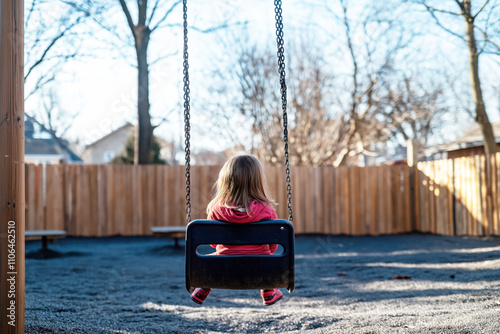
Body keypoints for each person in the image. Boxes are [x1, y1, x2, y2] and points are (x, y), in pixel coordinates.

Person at [190, 154, 283, 306]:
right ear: (258, 182)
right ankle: (268, 290)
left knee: (212, 258)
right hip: (260, 267)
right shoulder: (267, 210)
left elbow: (213, 243)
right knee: (268, 257)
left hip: (224, 266)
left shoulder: (216, 209)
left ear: (225, 182)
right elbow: (273, 246)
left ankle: (204, 287)